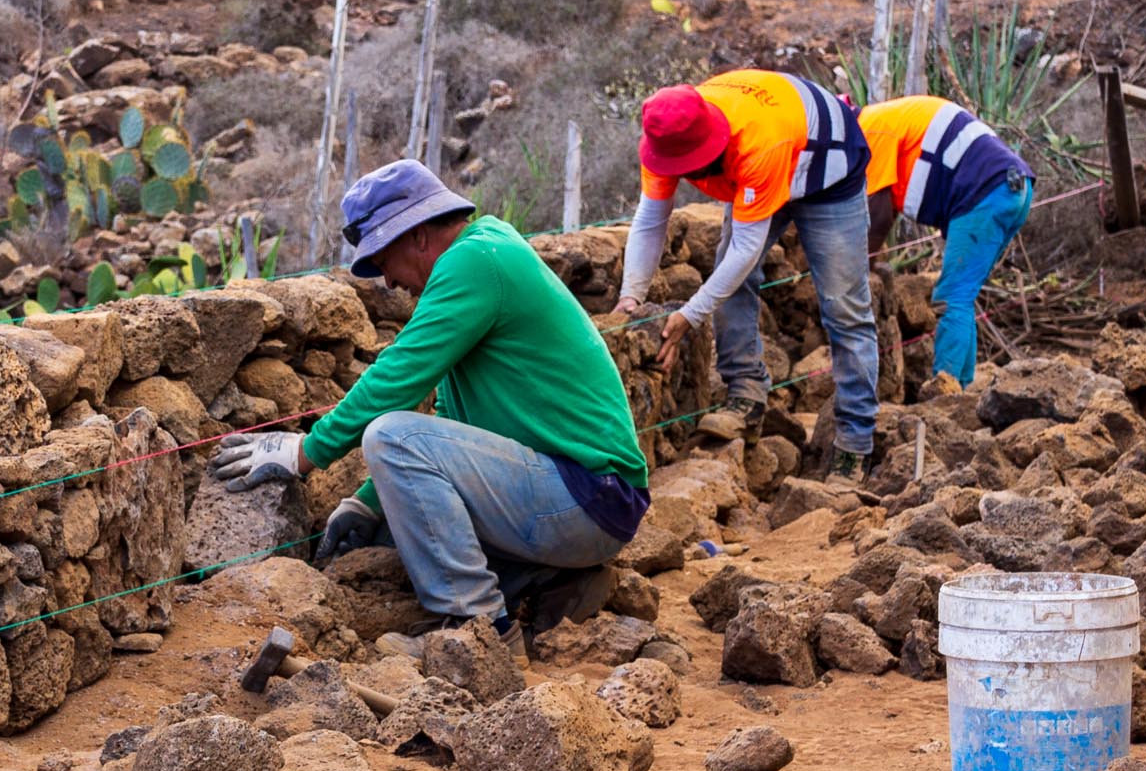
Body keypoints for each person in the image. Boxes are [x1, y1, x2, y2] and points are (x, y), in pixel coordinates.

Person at [211, 158, 648, 638]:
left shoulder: (475, 263)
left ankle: (478, 628)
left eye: (384, 262)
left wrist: (305, 451)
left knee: (391, 437)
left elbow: (399, 373)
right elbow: (453, 419)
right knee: (389, 527)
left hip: (587, 498)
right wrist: (367, 500)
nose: (391, 283)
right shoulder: (487, 251)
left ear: (417, 235)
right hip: (587, 498)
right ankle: (542, 580)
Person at [612, 70, 879, 475]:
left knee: (844, 307)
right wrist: (628, 299)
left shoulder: (757, 141)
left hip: (826, 164)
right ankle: (746, 397)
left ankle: (854, 446)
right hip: (767, 161)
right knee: (730, 281)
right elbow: (651, 221)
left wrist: (690, 314)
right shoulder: (667, 133)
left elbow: (745, 250)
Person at [857, 93, 1033, 390]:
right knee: (962, 294)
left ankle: (945, 392)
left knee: (952, 297)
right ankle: (961, 389)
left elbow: (880, 215)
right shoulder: (886, 119)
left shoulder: (869, 129)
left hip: (986, 193)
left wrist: (859, 271)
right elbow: (888, 202)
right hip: (1012, 189)